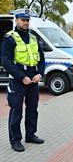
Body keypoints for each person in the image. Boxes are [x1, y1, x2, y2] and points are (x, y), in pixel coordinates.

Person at [1, 9, 45, 152]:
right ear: (16, 20)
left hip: (33, 78)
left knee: (32, 109)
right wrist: (22, 77)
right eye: (23, 20)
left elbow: (42, 58)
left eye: (27, 20)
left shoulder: (33, 38)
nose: (26, 23)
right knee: (16, 111)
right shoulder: (10, 38)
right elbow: (6, 62)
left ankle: (30, 135)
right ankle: (15, 140)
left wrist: (40, 74)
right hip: (18, 79)